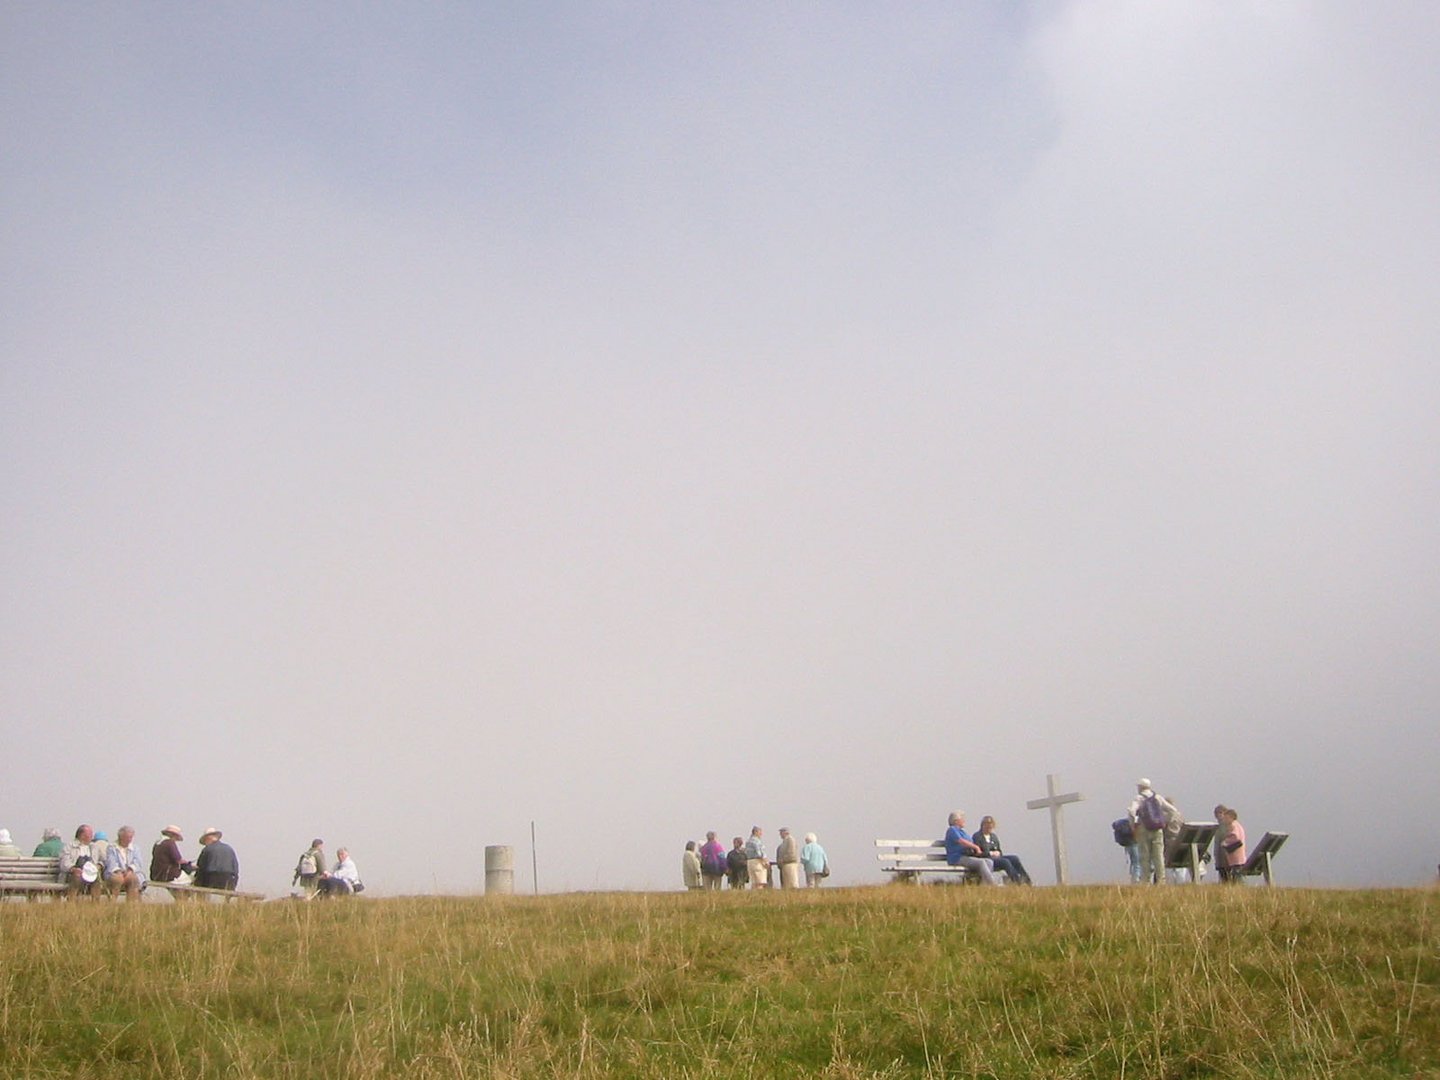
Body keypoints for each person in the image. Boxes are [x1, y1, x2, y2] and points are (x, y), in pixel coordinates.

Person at [1128, 779, 1178, 885]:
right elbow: (1173, 810)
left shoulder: (1139, 798)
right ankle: (1161, 880)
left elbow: (1132, 811)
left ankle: (1145, 881)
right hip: (1157, 829)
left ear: (1141, 787)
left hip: (1143, 829)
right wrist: (1165, 821)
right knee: (1159, 855)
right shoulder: (1158, 797)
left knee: (1144, 855)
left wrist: (1133, 826)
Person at [972, 816, 1032, 884]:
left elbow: (999, 850)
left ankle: (1026, 880)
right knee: (1005, 862)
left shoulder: (993, 837)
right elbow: (977, 853)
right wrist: (990, 853)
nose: (989, 829)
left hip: (997, 858)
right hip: (987, 859)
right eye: (987, 827)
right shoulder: (977, 836)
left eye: (991, 827)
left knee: (1014, 858)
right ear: (983, 826)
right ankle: (1016, 881)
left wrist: (998, 853)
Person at [943, 811, 997, 884]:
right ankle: (992, 884)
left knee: (989, 862)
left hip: (966, 856)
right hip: (957, 858)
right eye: (962, 819)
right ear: (956, 821)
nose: (964, 820)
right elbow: (961, 841)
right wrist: (976, 847)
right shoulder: (952, 830)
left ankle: (984, 884)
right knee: (981, 863)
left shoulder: (962, 831)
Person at [103, 826, 146, 900]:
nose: (129, 839)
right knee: (117, 879)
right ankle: (112, 904)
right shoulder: (112, 847)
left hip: (131, 873)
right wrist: (119, 872)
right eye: (127, 837)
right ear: (121, 837)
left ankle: (131, 906)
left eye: (131, 837)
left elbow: (138, 861)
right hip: (115, 873)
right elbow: (111, 861)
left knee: (133, 879)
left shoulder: (135, 848)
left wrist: (130, 870)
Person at [60, 824, 101, 898]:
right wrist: (73, 869)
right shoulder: (69, 846)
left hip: (90, 873)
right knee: (77, 877)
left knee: (96, 878)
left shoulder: (94, 847)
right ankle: (72, 901)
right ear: (82, 835)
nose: (92, 837)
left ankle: (96, 904)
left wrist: (99, 866)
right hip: (72, 874)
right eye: (90, 834)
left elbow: (102, 860)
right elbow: (64, 862)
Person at [194, 827, 239, 891]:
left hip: (211, 878)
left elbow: (200, 868)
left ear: (208, 839)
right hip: (229, 879)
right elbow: (235, 868)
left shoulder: (207, 849)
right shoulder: (229, 849)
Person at [1217, 807, 1247, 883]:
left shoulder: (1233, 825)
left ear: (1231, 818)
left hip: (1236, 856)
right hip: (1239, 856)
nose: (1225, 820)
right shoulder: (1238, 825)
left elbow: (1235, 837)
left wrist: (1225, 842)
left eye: (1226, 818)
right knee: (1237, 875)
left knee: (1237, 877)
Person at [1112, 816, 1142, 882]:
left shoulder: (1126, 822)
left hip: (1128, 845)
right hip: (1134, 843)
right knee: (1137, 862)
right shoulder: (1137, 821)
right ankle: (1136, 879)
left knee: (1133, 862)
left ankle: (1132, 877)